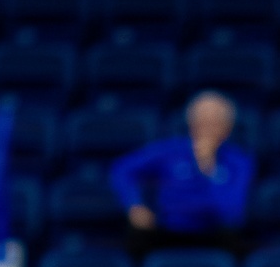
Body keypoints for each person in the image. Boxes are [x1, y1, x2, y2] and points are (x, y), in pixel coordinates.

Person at [109, 90, 255, 257]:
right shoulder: (171, 150)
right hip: (169, 229)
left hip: (213, 231)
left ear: (227, 129)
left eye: (215, 123)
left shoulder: (239, 161)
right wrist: (134, 205)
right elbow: (122, 169)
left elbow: (233, 212)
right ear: (191, 125)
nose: (206, 130)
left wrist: (209, 169)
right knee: (136, 237)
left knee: (237, 240)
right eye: (201, 122)